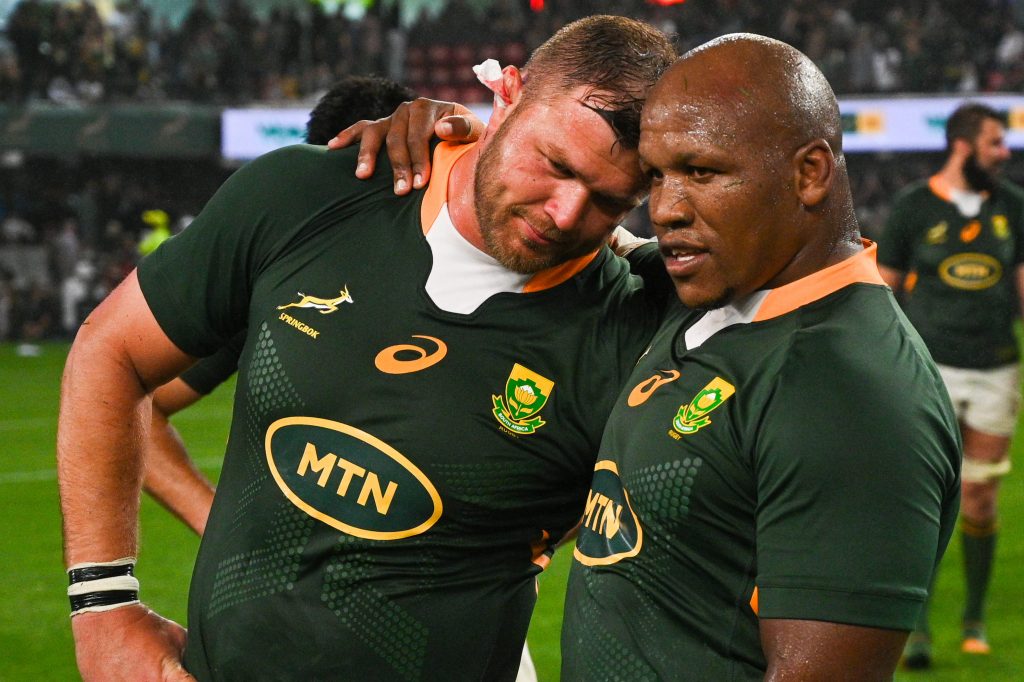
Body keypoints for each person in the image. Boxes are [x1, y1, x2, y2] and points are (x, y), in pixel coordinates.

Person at [56, 16, 675, 682]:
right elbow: (112, 352)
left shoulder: (640, 323)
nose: (566, 213)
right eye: (555, 165)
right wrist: (103, 605)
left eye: (609, 202)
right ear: (507, 95)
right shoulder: (307, 196)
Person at [336, 32, 961, 680]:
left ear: (809, 174)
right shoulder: (705, 292)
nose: (665, 210)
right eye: (656, 177)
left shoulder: (851, 394)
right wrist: (475, 134)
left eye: (701, 173)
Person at [143, 74, 419, 536]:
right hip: (299, 570)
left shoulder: (466, 279)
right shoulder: (276, 289)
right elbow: (138, 406)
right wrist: (220, 529)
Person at [877, 102, 1024, 668]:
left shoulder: (1013, 206)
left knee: (981, 499)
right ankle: (917, 628)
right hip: (930, 369)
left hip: (997, 366)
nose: (1004, 153)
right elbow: (884, 290)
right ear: (963, 145)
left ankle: (974, 618)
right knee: (926, 497)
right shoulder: (914, 207)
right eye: (994, 142)